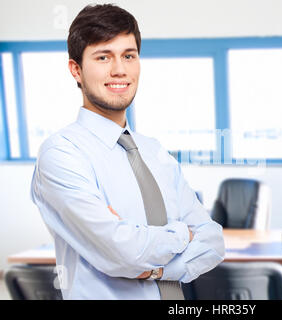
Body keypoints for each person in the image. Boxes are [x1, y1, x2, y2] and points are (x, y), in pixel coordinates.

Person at [30, 4, 225, 300]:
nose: (119, 69)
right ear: (76, 70)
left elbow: (213, 242)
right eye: (103, 56)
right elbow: (124, 252)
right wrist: (183, 233)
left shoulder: (153, 151)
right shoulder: (62, 154)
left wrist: (156, 267)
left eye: (128, 56)